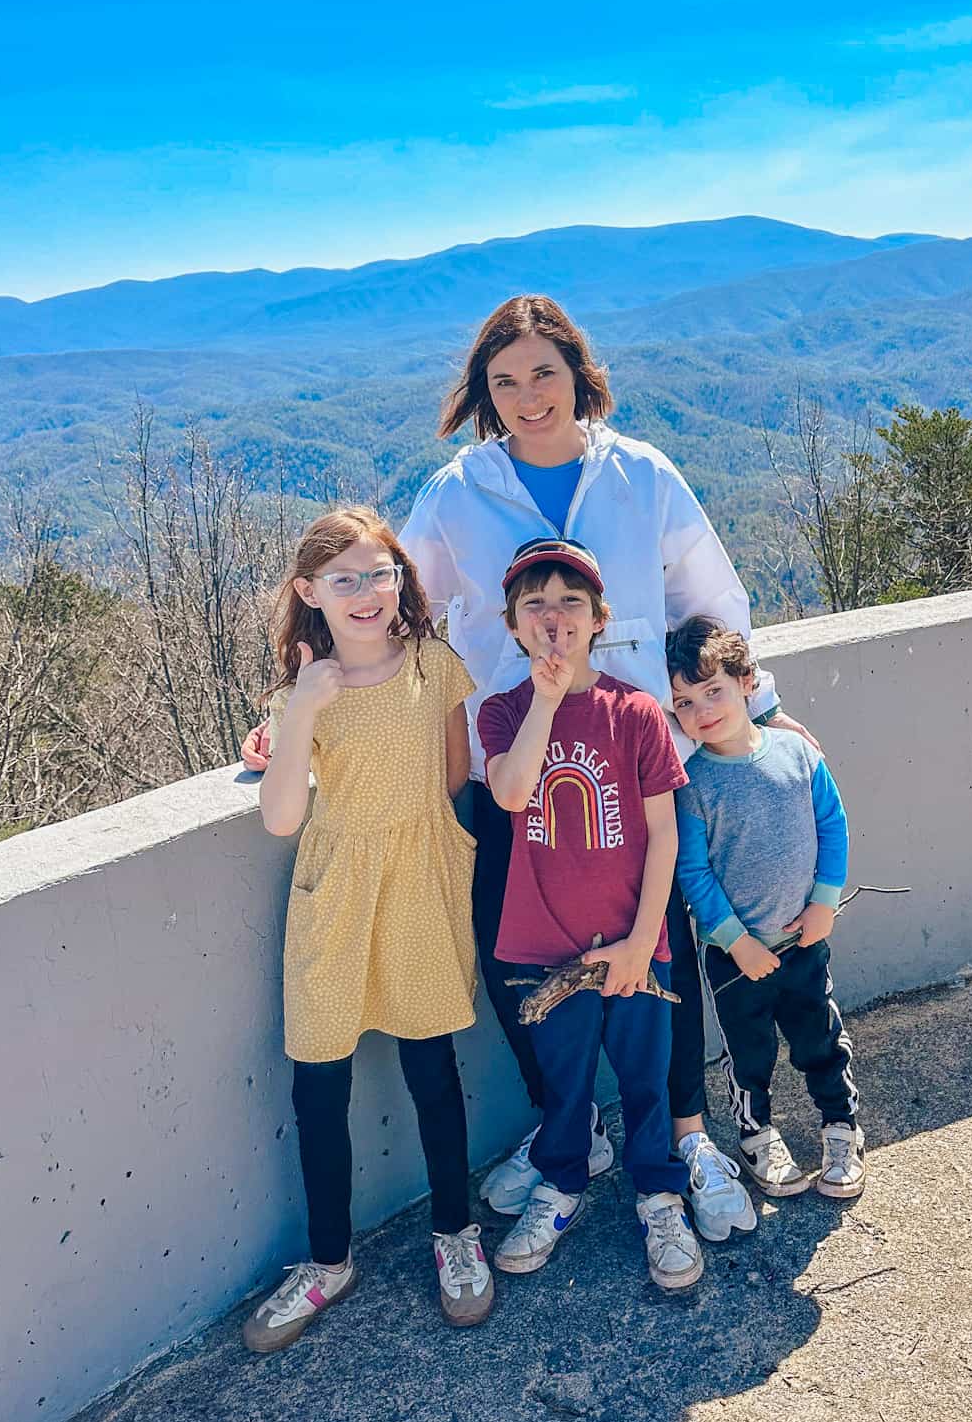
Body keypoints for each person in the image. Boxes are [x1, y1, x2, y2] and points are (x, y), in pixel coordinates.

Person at [242, 293, 817, 1240]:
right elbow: (394, 612)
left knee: (657, 947)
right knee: (513, 956)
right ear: (482, 393)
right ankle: (572, 1128)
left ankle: (684, 1135)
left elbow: (712, 600)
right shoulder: (458, 494)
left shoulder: (643, 477)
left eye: (544, 372)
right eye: (503, 381)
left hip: (636, 758)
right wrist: (300, 712)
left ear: (578, 373)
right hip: (512, 762)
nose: (526, 395)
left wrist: (755, 704)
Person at [242, 506, 493, 1352]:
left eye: (378, 574)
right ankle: (327, 1260)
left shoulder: (434, 665)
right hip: (336, 891)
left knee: (433, 1068)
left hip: (419, 884)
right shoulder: (300, 693)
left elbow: (455, 772)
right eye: (342, 579)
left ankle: (455, 1236)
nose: (364, 593)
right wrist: (301, 715)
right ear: (309, 592)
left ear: (401, 581)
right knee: (320, 1081)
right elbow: (282, 818)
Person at [479, 537, 703, 1290]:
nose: (553, 618)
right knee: (566, 1087)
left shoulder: (634, 712)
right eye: (534, 604)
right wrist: (546, 697)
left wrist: (646, 939)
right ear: (511, 624)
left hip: (635, 945)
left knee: (647, 1081)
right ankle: (562, 1185)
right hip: (544, 948)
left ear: (599, 617)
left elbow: (663, 832)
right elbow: (511, 793)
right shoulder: (505, 711)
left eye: (570, 602)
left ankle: (659, 1197)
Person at [668, 615, 866, 1203]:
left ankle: (840, 1127)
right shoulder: (691, 783)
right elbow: (693, 872)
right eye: (684, 702)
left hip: (804, 940)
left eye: (714, 692)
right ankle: (757, 1136)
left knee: (819, 1036)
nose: (702, 711)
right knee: (747, 1052)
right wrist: (735, 940)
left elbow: (833, 826)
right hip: (736, 959)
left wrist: (824, 904)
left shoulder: (797, 756)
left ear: (747, 683)